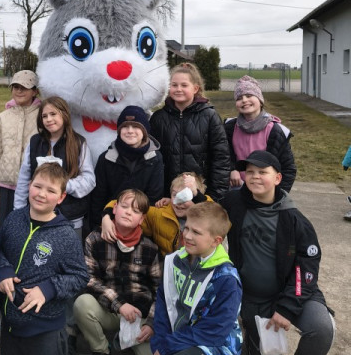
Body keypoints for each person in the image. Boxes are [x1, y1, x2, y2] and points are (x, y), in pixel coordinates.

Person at [222, 150, 334, 355]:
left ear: (277, 178)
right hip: (251, 296)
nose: (255, 177)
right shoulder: (234, 202)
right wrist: (190, 196)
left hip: (291, 292)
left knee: (321, 326)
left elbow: (306, 269)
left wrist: (287, 307)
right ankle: (252, 327)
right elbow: (207, 211)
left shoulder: (294, 219)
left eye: (262, 172)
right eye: (250, 172)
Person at [131, 201, 242, 355]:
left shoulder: (227, 279)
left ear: (216, 240)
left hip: (214, 346)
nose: (187, 235)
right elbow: (163, 306)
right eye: (187, 228)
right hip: (179, 341)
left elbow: (215, 332)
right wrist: (160, 345)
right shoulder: (173, 261)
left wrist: (166, 349)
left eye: (196, 232)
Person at [0, 163, 89, 355]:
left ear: (61, 197)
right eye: (37, 186)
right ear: (29, 186)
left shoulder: (66, 235)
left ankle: (63, 349)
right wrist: (3, 270)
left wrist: (47, 289)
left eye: (50, 190)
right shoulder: (14, 219)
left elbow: (80, 276)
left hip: (44, 325)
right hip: (11, 322)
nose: (41, 194)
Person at [75, 189, 161, 355]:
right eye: (124, 206)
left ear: (141, 219)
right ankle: (102, 351)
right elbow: (90, 280)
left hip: (139, 316)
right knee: (82, 303)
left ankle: (126, 339)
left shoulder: (150, 248)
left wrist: (152, 323)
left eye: (136, 210)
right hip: (111, 309)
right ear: (114, 209)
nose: (128, 212)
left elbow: (159, 290)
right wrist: (119, 305)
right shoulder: (94, 239)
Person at [14, 96, 95, 237]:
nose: (49, 119)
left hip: (70, 217)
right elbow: (23, 178)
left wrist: (61, 186)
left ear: (64, 114)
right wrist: (18, 211)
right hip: (37, 216)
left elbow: (89, 180)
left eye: (53, 114)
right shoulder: (35, 142)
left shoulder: (78, 143)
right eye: (44, 116)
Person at [150, 63, 230, 202]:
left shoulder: (210, 116)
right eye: (174, 85)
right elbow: (152, 158)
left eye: (184, 85)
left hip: (201, 192)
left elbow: (221, 159)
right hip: (167, 194)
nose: (178, 89)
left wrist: (215, 196)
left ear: (195, 88)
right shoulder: (158, 118)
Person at [0, 70, 41, 227]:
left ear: (35, 91)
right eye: (15, 87)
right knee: (7, 230)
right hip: (7, 188)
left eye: (24, 87)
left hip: (34, 187)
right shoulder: (3, 117)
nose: (19, 91)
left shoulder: (42, 116)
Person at [89, 105, 164, 230]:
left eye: (135, 126)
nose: (130, 131)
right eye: (125, 126)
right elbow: (98, 198)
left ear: (145, 131)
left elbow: (154, 197)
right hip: (110, 222)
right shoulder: (106, 158)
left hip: (141, 226)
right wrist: (99, 224)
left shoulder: (155, 158)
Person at [225, 75, 296, 191]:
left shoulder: (275, 131)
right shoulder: (229, 127)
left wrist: (278, 196)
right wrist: (232, 169)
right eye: (239, 98)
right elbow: (223, 155)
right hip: (236, 188)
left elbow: (288, 168)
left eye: (249, 95)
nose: (244, 100)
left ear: (260, 100)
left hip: (265, 191)